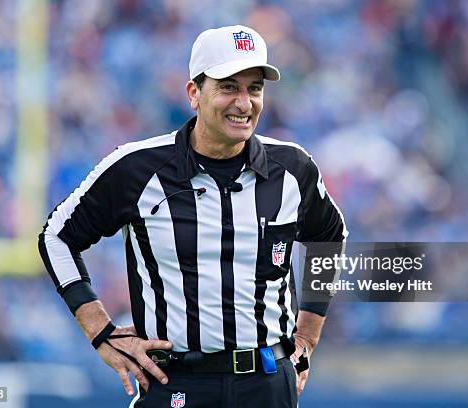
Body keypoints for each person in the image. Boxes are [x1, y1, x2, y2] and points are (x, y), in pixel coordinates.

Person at [38, 24, 347, 408]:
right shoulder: (137, 167)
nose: (244, 102)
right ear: (194, 93)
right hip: (176, 381)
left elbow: (330, 236)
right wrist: (100, 331)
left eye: (254, 88)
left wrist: (307, 335)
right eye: (229, 87)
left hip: (268, 383)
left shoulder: (293, 168)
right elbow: (56, 236)